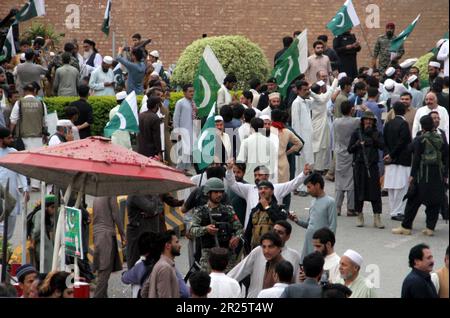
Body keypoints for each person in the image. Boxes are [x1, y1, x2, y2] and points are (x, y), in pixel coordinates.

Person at [392, 115, 448, 236]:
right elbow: (446, 155)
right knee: (433, 202)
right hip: (437, 175)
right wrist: (445, 173)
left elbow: (416, 157)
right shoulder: (440, 138)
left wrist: (412, 175)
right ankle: (430, 228)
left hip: (422, 175)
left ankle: (406, 227)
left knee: (413, 200)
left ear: (422, 126)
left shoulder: (420, 139)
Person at [225, 160, 310, 230]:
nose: (257, 177)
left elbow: (292, 184)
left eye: (260, 175)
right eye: (255, 175)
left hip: (271, 232)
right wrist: (229, 170)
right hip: (253, 231)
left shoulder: (277, 188)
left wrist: (303, 174)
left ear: (267, 176)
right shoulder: (249, 189)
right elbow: (232, 184)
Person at [228, 224, 300, 298]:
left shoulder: (294, 256)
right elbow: (238, 272)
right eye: (274, 231)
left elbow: (297, 285)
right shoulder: (258, 251)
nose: (266, 251)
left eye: (280, 232)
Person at [190, 178, 243, 272]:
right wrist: (206, 229)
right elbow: (192, 231)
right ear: (208, 193)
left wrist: (236, 238)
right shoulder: (200, 211)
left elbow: (239, 228)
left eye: (221, 192)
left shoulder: (228, 210)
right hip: (208, 259)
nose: (219, 195)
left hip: (227, 258)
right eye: (216, 192)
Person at [348, 111, 384, 228]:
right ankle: (359, 215)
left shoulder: (377, 133)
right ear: (362, 121)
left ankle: (377, 217)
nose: (368, 122)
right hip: (360, 166)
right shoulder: (357, 133)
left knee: (375, 192)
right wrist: (358, 144)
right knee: (359, 191)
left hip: (372, 166)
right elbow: (350, 149)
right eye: (366, 120)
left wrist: (373, 139)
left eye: (370, 120)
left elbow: (382, 145)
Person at [289, 173, 337, 262]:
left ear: (317, 185)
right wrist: (297, 220)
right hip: (309, 241)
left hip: (320, 245)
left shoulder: (330, 202)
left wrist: (328, 247)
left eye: (309, 187)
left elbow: (332, 227)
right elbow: (309, 224)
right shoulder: (313, 202)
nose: (307, 190)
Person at [9, 83, 48, 189]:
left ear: (24, 91)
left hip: (22, 137)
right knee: (35, 160)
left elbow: (13, 120)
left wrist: (10, 134)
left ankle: (22, 184)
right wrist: (45, 134)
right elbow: (45, 122)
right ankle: (36, 185)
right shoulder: (41, 103)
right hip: (37, 137)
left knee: (21, 160)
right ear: (35, 91)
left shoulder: (19, 103)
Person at [383, 102, 412, 221]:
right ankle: (398, 211)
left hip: (390, 160)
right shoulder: (404, 124)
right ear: (405, 110)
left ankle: (393, 210)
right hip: (402, 159)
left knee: (391, 187)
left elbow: (384, 140)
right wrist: (392, 154)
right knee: (402, 186)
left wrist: (388, 154)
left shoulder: (388, 123)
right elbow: (403, 141)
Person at [92, 196, 126, 298]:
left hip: (98, 234)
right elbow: (116, 214)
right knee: (105, 271)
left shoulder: (97, 196)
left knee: (102, 271)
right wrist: (122, 234)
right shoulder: (110, 193)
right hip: (106, 235)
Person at [0, 127, 29, 240]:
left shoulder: (13, 153)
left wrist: (25, 189)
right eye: (9, 138)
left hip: (11, 195)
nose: (12, 140)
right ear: (1, 139)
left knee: (9, 229)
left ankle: (5, 253)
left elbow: (21, 172)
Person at [244, 180, 287, 252]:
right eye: (260, 189)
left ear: (272, 191)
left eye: (266, 188)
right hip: (255, 249)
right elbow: (248, 232)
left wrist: (267, 207)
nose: (262, 191)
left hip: (273, 249)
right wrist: (248, 251)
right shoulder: (254, 211)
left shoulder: (279, 209)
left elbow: (280, 222)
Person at [333, 101, 359, 216]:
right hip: (350, 152)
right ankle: (350, 208)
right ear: (351, 110)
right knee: (351, 181)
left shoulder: (336, 122)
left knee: (339, 182)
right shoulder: (355, 121)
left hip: (339, 152)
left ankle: (337, 207)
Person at [310, 78, 339, 172]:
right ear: (319, 90)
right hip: (320, 125)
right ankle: (318, 167)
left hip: (316, 124)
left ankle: (321, 166)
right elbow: (331, 91)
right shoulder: (321, 98)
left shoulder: (311, 98)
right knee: (320, 146)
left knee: (322, 146)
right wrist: (335, 79)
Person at [121, 232, 162, 298]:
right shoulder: (166, 262)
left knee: (136, 282)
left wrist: (124, 273)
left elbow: (124, 279)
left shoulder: (141, 265)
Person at [236, 118, 277, 183]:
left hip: (249, 176)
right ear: (263, 127)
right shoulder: (269, 142)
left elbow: (241, 160)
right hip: (264, 177)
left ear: (251, 127)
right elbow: (272, 161)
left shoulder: (246, 142)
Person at [291, 80, 314, 195]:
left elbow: (318, 101)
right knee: (301, 163)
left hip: (307, 137)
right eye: (304, 90)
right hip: (301, 138)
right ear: (298, 90)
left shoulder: (306, 102)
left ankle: (303, 186)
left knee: (306, 162)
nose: (307, 92)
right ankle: (299, 187)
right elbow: (295, 123)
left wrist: (311, 92)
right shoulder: (296, 103)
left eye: (307, 89)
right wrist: (299, 140)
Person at [147, 230, 182, 298]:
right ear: (167, 246)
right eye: (176, 242)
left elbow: (144, 292)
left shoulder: (160, 264)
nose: (180, 245)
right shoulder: (165, 268)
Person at [271, 109, 303, 183]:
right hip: (283, 162)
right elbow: (299, 144)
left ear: (271, 118)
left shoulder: (266, 130)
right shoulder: (287, 131)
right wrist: (287, 153)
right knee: (283, 188)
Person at [173, 83, 197, 173]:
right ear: (184, 92)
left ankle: (186, 169)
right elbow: (176, 117)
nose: (192, 93)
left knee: (189, 150)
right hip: (183, 131)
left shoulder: (193, 102)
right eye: (190, 91)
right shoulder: (180, 103)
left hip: (191, 130)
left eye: (193, 91)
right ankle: (179, 170)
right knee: (183, 151)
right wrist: (177, 131)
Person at [29, 195, 56, 272]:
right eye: (52, 207)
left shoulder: (48, 215)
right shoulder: (40, 213)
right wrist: (33, 241)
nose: (54, 210)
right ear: (46, 207)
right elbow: (37, 229)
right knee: (45, 268)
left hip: (46, 245)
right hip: (42, 246)